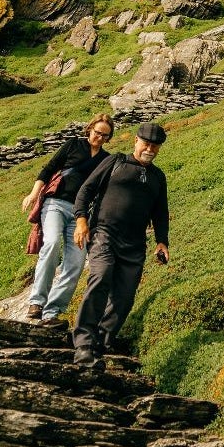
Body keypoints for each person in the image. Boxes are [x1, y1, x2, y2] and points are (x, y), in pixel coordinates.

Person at [71, 121, 171, 365]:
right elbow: (86, 190)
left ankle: (102, 343)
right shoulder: (115, 161)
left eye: (155, 146)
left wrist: (162, 242)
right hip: (104, 233)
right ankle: (83, 342)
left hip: (135, 243)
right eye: (146, 143)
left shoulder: (158, 177)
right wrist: (81, 221)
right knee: (101, 277)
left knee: (125, 297)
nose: (150, 149)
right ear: (136, 141)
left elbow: (161, 212)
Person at [20, 114, 113, 321]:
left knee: (76, 262)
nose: (99, 137)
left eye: (105, 135)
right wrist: (33, 194)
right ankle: (37, 302)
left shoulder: (106, 160)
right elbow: (48, 169)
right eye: (97, 132)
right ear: (89, 129)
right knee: (51, 243)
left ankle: (52, 311)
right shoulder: (73, 145)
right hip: (55, 204)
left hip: (81, 216)